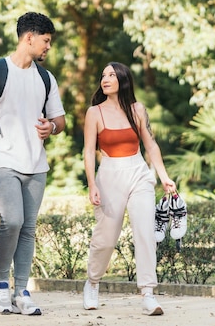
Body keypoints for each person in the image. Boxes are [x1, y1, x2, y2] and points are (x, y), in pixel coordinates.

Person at [0, 12, 66, 316]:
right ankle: (2, 285)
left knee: (29, 228)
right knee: (13, 221)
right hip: (1, 159)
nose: (48, 48)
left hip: (36, 164)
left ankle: (22, 291)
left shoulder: (46, 78)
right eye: (45, 41)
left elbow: (59, 118)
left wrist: (53, 128)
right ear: (29, 37)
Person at [82, 61, 176, 315]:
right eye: (103, 75)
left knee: (145, 231)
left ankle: (148, 294)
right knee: (106, 238)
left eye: (111, 75)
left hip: (138, 173)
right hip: (110, 174)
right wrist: (92, 184)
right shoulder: (95, 113)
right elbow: (89, 151)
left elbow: (151, 145)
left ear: (123, 79)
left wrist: (164, 176)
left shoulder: (138, 109)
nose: (105, 79)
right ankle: (92, 283)